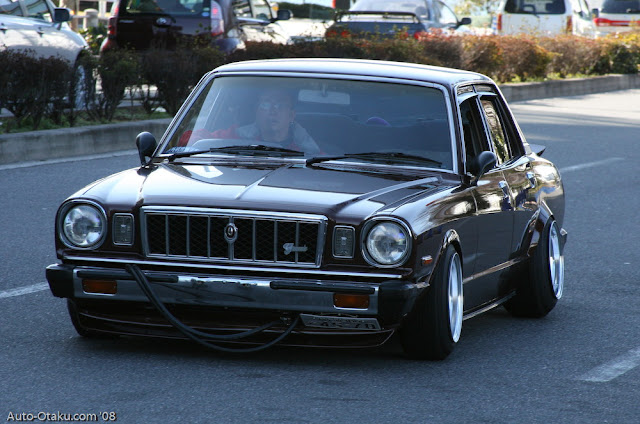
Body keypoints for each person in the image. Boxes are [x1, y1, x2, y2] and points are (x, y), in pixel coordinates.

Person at [178, 88, 321, 155]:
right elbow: (189, 141)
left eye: (280, 105)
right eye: (266, 105)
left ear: (291, 115)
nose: (273, 110)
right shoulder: (237, 135)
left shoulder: (308, 150)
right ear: (257, 112)